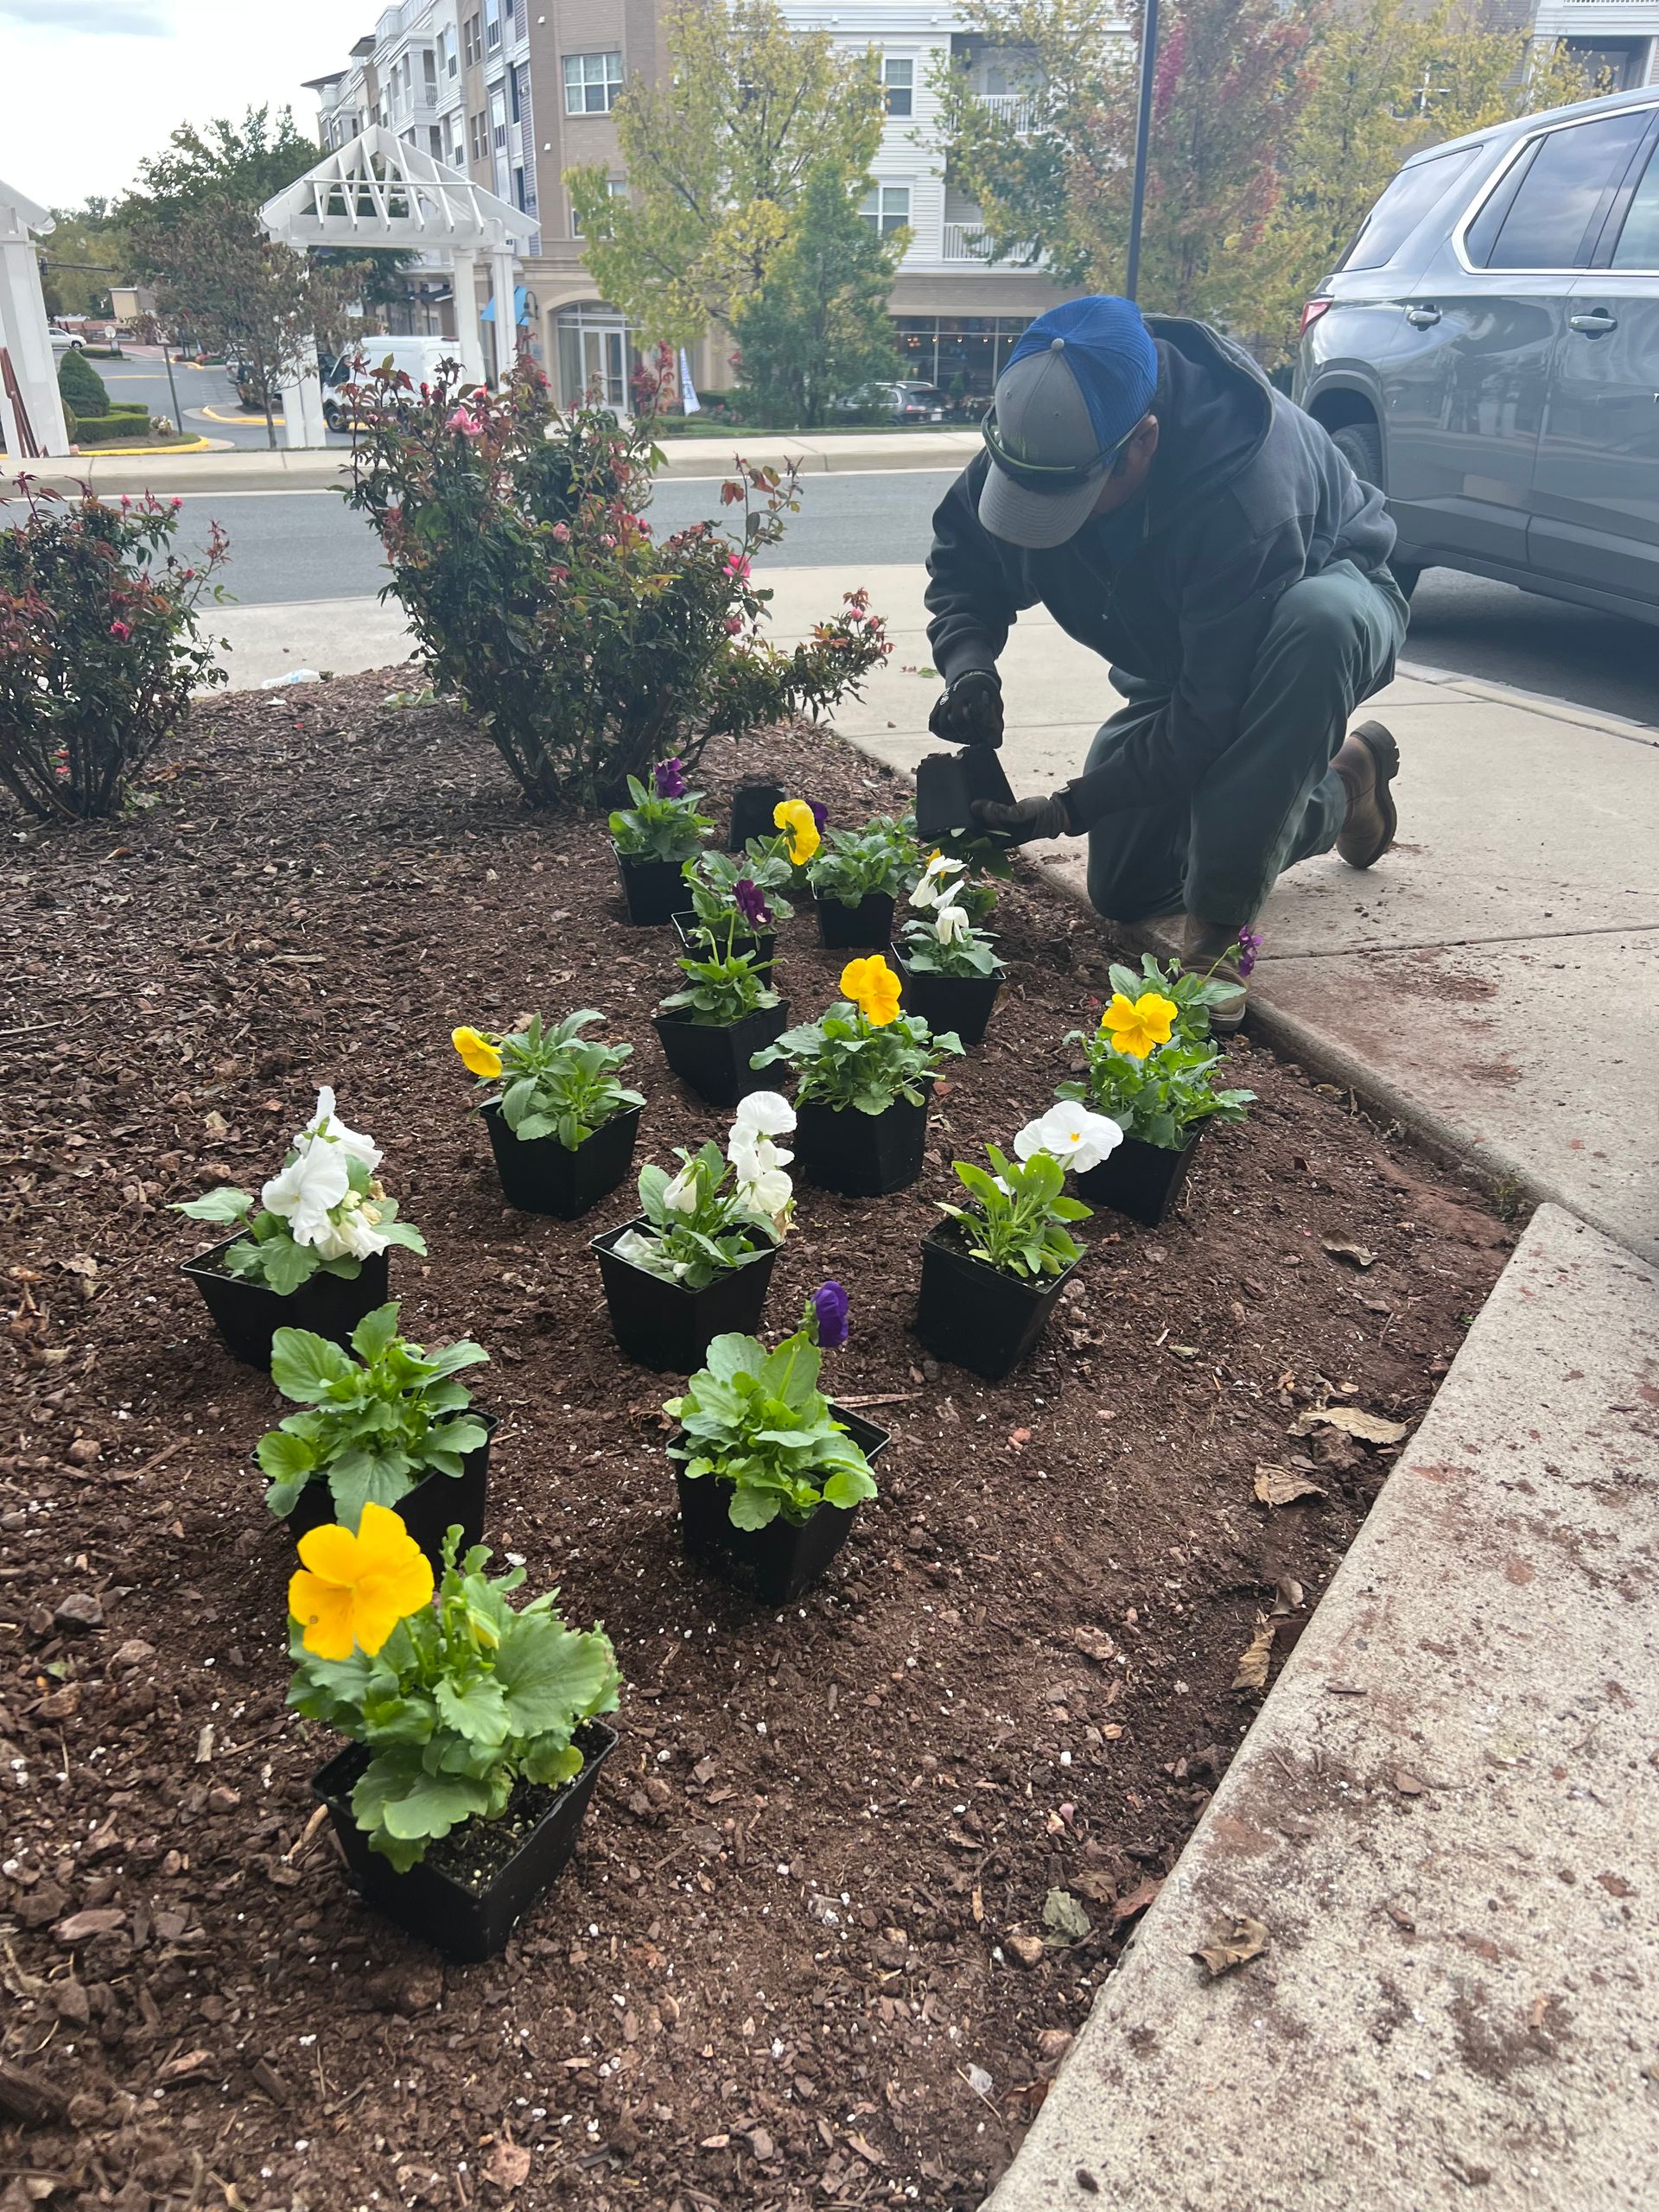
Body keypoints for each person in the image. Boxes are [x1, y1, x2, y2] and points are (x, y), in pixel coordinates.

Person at [925, 295, 1408, 1026]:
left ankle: (1219, 933)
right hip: (1182, 655)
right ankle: (1346, 783)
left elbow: (1208, 721)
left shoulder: (1244, 499)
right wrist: (970, 666)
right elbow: (964, 567)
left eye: (1072, 500)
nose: (1045, 522)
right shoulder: (1045, 436)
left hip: (1314, 608)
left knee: (1317, 630)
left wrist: (1068, 807)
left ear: (1143, 441)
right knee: (1127, 887)